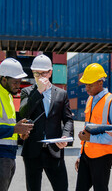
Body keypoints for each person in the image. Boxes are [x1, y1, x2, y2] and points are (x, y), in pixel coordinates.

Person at [19, 54, 74, 191]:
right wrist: (39, 91)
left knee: (62, 187)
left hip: (54, 150)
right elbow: (23, 113)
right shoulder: (27, 92)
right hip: (32, 151)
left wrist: (65, 137)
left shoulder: (61, 94)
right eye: (36, 73)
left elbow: (68, 119)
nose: (40, 76)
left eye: (43, 73)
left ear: (50, 72)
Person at [0, 58, 34, 191]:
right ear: (3, 79)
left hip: (7, 156)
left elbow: (6, 126)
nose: (18, 85)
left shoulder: (7, 95)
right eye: (15, 82)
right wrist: (13, 129)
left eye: (19, 82)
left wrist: (19, 132)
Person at [75, 63, 112, 191]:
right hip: (87, 154)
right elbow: (87, 130)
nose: (87, 88)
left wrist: (91, 139)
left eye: (90, 85)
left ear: (100, 82)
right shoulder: (90, 100)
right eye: (85, 84)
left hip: (103, 157)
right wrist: (80, 155)